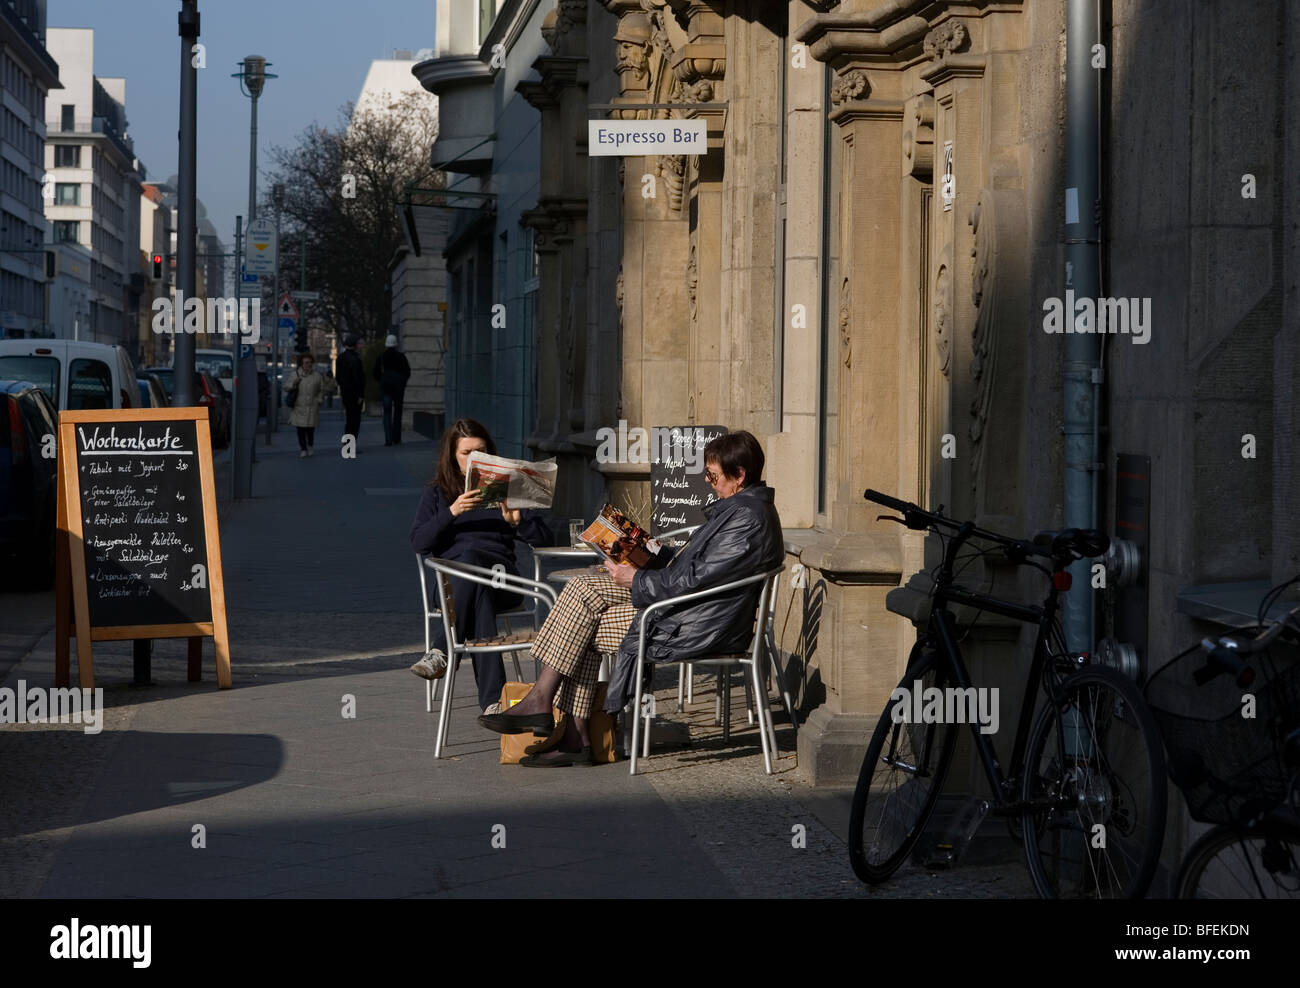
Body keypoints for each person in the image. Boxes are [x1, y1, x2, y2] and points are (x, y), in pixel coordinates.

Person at [478, 430, 783, 766]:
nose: (709, 483)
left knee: (584, 620)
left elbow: (695, 579)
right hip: (690, 608)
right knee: (583, 589)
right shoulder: (737, 508)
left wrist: (636, 577)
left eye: (713, 476)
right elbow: (695, 568)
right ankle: (563, 722)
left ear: (739, 475)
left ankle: (561, 720)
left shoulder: (747, 518)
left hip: (699, 623)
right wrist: (644, 552)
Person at [410, 418, 552, 714]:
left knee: (474, 559)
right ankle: (492, 703)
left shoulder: (509, 488)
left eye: (481, 451)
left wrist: (519, 521)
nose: (474, 458)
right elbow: (419, 543)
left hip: (504, 583)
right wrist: (451, 512)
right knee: (478, 595)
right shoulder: (438, 494)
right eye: (466, 452)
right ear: (452, 456)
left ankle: (441, 651)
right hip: (454, 589)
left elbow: (545, 541)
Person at [284, 353, 336, 457]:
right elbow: (286, 387)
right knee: (300, 429)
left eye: (310, 362)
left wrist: (320, 400)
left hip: (312, 405)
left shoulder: (317, 376)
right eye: (306, 363)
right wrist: (294, 383)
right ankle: (303, 448)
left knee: (310, 429)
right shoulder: (295, 375)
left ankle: (310, 446)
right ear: (301, 364)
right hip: (299, 406)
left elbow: (321, 389)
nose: (309, 364)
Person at [373, 333, 411, 446]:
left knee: (387, 413)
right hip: (399, 388)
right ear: (396, 344)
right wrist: (402, 382)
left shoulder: (381, 357)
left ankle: (388, 439)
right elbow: (407, 372)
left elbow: (375, 373)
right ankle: (397, 438)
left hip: (386, 388)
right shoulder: (401, 357)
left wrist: (382, 381)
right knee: (398, 413)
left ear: (386, 345)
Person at [335, 333, 366, 449]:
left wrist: (343, 387)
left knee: (349, 419)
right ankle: (350, 446)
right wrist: (361, 394)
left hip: (346, 392)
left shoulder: (340, 358)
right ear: (354, 345)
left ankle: (348, 444)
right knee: (355, 420)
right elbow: (359, 379)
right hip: (355, 394)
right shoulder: (356, 359)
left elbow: (338, 377)